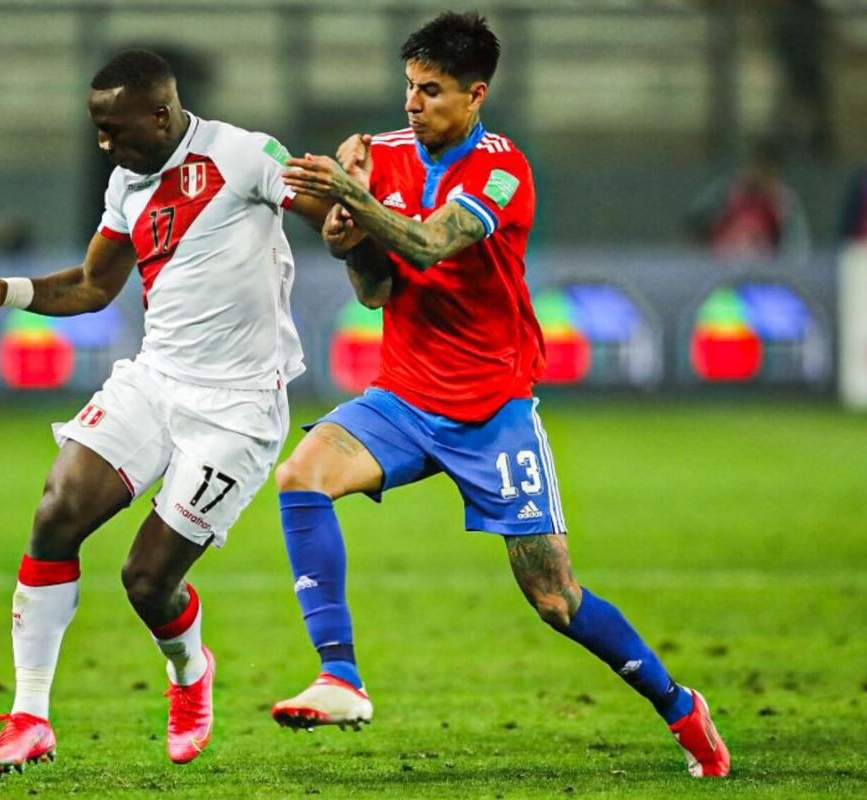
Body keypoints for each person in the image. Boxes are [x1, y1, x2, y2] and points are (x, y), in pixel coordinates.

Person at [270, 11, 731, 778]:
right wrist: (345, 239)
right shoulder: (380, 156)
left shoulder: (502, 169)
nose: (413, 105)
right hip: (406, 398)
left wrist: (353, 197)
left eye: (432, 91)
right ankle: (340, 676)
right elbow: (380, 290)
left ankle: (682, 708)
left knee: (555, 600)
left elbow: (428, 241)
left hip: (493, 411)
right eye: (409, 88)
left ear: (476, 94)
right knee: (300, 476)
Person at [0, 50, 328, 773]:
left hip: (237, 409)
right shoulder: (128, 183)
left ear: (161, 113)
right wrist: (5, 292)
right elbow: (92, 285)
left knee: (147, 580)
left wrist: (352, 211)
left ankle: (190, 673)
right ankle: (28, 716)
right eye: (97, 130)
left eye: (114, 130)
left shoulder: (243, 155)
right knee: (57, 512)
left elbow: (326, 211)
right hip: (155, 381)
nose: (105, 145)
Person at [684, 138, 810, 265]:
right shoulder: (727, 189)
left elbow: (796, 249)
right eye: (756, 167)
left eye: (766, 171)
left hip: (762, 268)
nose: (758, 175)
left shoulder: (784, 201)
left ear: (775, 172)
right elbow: (694, 222)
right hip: (719, 264)